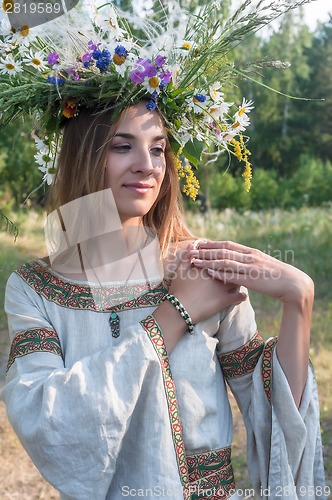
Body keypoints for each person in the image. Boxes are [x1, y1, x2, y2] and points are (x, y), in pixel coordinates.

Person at [0, 2, 327, 499]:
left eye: (158, 148)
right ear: (85, 155)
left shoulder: (202, 264)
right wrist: (176, 314)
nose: (148, 165)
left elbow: (272, 407)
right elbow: (50, 420)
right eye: (121, 146)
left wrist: (299, 299)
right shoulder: (35, 289)